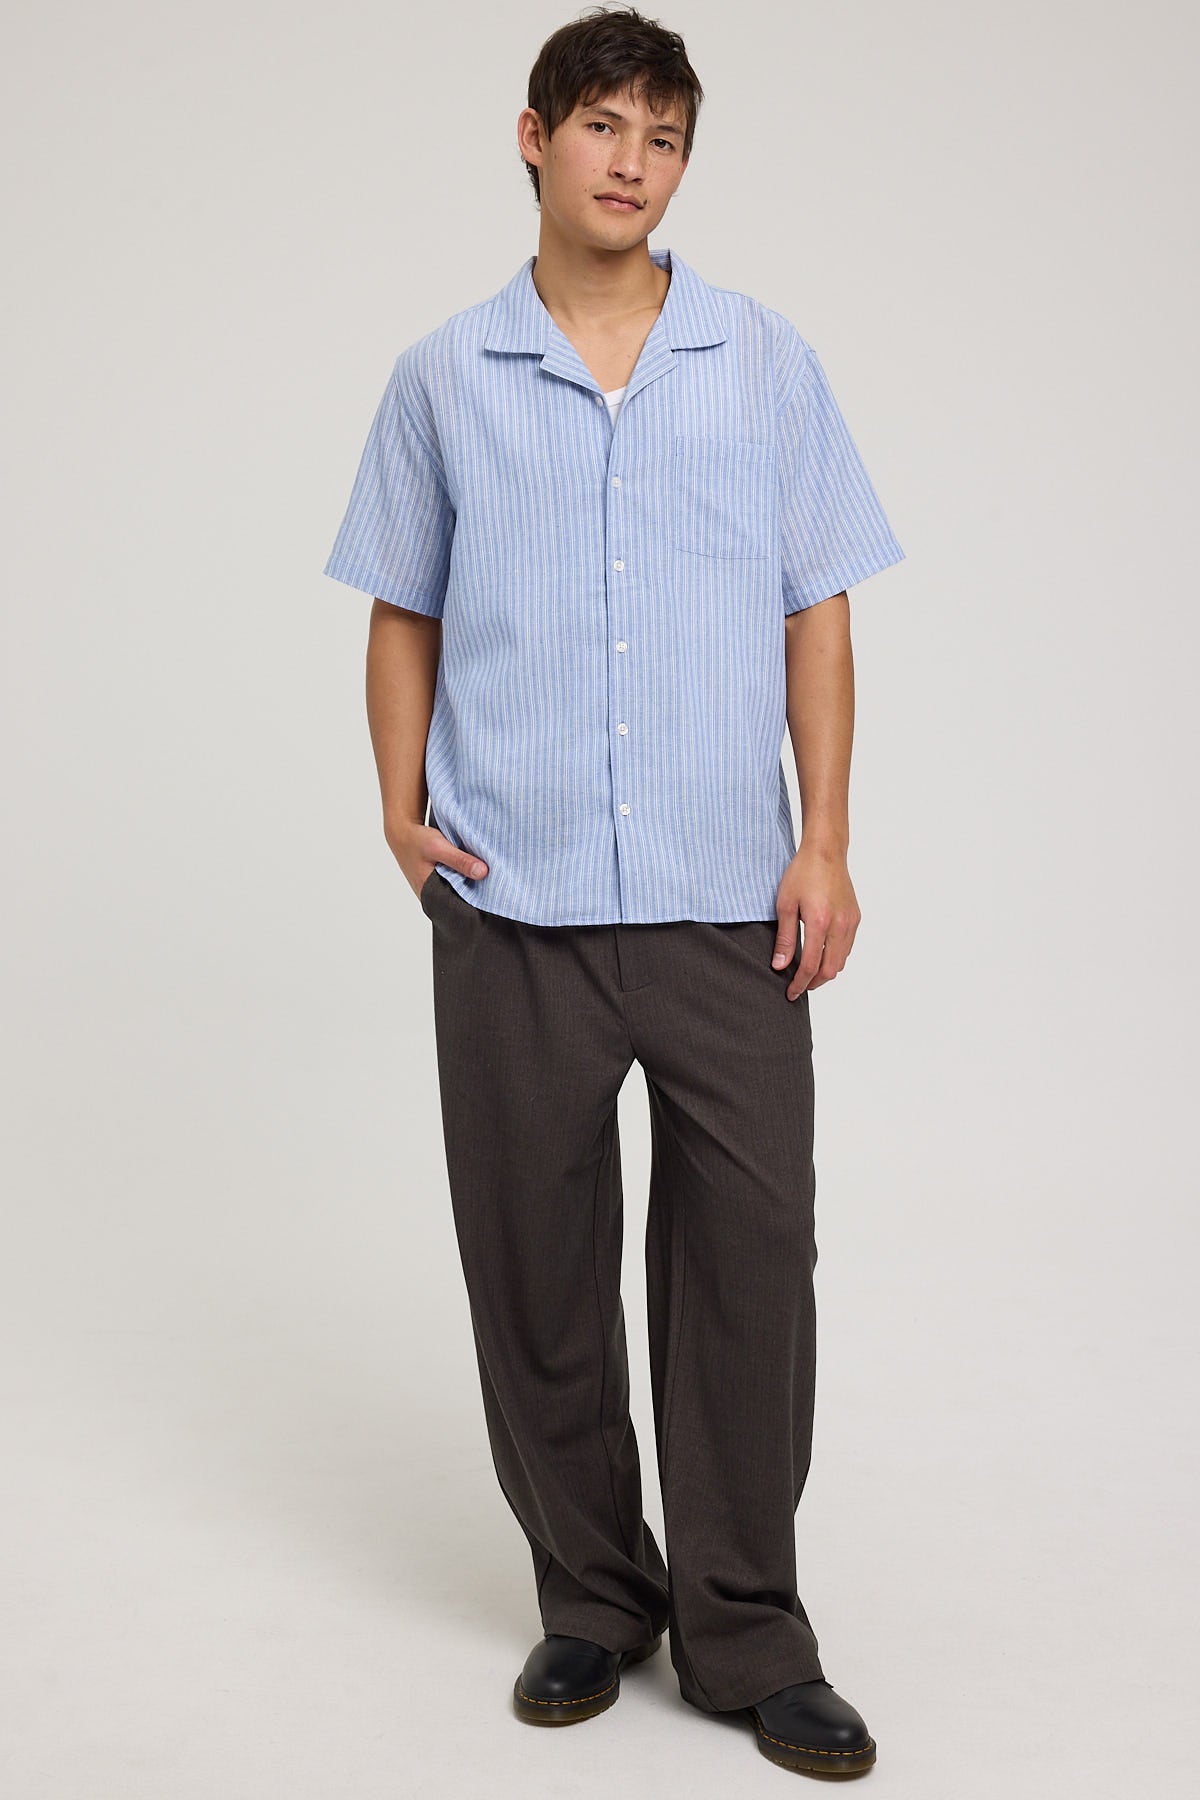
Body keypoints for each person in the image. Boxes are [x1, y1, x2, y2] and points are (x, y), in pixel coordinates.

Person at [323, 5, 904, 1778]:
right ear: (535, 137)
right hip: (516, 901)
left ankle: (748, 1629)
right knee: (533, 1266)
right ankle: (592, 1596)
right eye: (603, 125)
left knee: (752, 1265)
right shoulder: (444, 375)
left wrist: (824, 838)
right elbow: (402, 605)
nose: (632, 160)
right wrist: (399, 810)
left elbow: (818, 600)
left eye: (663, 135)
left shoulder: (764, 358)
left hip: (730, 899)